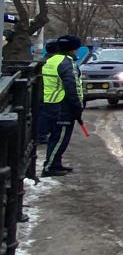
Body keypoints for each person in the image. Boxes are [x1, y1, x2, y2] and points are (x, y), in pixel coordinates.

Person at [38, 36, 83, 177]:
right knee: (60, 138)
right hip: (63, 106)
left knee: (56, 137)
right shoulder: (67, 63)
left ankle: (55, 163)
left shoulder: (50, 60)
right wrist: (77, 107)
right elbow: (72, 87)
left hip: (50, 103)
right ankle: (50, 167)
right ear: (73, 49)